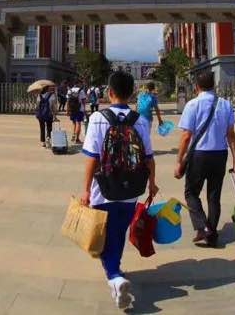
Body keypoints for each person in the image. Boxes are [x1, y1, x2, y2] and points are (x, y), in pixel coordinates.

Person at [80, 70, 159, 310]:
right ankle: (116, 272)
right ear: (131, 93)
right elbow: (149, 158)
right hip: (132, 189)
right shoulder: (140, 120)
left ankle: (114, 277)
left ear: (110, 92)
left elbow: (92, 158)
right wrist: (152, 183)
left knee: (104, 235)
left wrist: (86, 190)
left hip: (103, 189)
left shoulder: (97, 118)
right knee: (118, 232)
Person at [174, 71, 235, 248]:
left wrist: (179, 160)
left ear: (196, 86)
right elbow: (231, 134)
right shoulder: (225, 104)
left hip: (199, 155)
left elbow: (186, 136)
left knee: (191, 193)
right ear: (214, 85)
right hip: (220, 154)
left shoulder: (192, 105)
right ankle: (211, 234)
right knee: (214, 196)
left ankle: (203, 227)